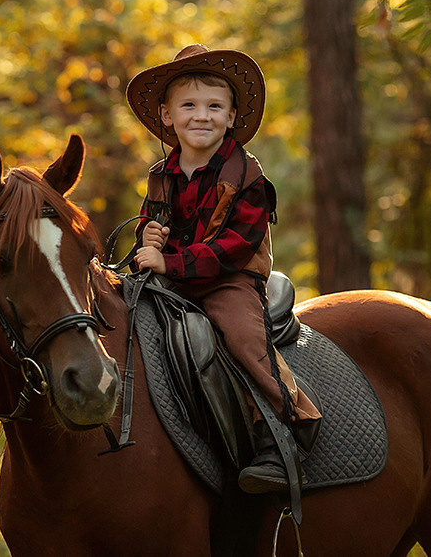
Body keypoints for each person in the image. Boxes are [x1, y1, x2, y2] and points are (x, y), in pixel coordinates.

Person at [125, 44, 321, 495]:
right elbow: (151, 223)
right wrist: (147, 241)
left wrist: (170, 260)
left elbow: (234, 249)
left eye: (215, 106)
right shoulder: (162, 174)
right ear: (167, 116)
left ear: (231, 117)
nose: (201, 116)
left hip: (227, 279)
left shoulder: (247, 174)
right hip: (174, 278)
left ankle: (286, 425)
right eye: (188, 105)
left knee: (240, 335)